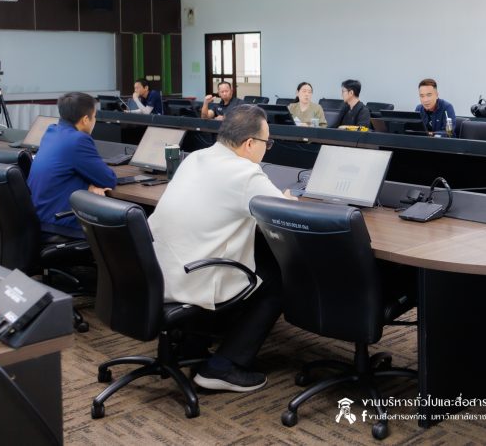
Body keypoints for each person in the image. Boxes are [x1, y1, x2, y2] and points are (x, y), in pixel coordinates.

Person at [148, 104, 295, 392]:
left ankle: (192, 343)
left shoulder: (195, 157)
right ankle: (224, 366)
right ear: (250, 143)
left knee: (255, 257)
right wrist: (289, 199)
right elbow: (285, 216)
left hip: (158, 271)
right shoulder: (246, 173)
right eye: (267, 143)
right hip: (195, 277)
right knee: (279, 278)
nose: (267, 149)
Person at [28, 92, 118, 238]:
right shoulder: (78, 140)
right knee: (123, 227)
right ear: (85, 120)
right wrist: (90, 185)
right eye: (94, 116)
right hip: (59, 223)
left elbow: (64, 172)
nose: (95, 120)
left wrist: (88, 185)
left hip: (40, 218)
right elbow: (109, 180)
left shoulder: (51, 131)